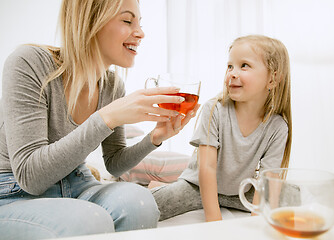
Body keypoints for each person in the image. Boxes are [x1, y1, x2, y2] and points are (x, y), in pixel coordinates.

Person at [0, 0, 199, 239]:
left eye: (139, 23)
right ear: (90, 22)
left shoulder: (112, 85)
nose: (140, 32)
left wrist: (154, 138)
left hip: (77, 182)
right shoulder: (29, 62)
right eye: (127, 20)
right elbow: (30, 176)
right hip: (14, 191)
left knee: (140, 203)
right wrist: (106, 117)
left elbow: (114, 162)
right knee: (88, 220)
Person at [152, 35, 292, 222]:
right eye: (230, 66)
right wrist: (214, 220)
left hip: (241, 191)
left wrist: (258, 222)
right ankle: (155, 185)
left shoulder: (277, 127)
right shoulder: (214, 110)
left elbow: (268, 180)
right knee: (152, 205)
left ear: (273, 79)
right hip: (198, 186)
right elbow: (207, 168)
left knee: (293, 196)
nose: (232, 73)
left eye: (244, 65)